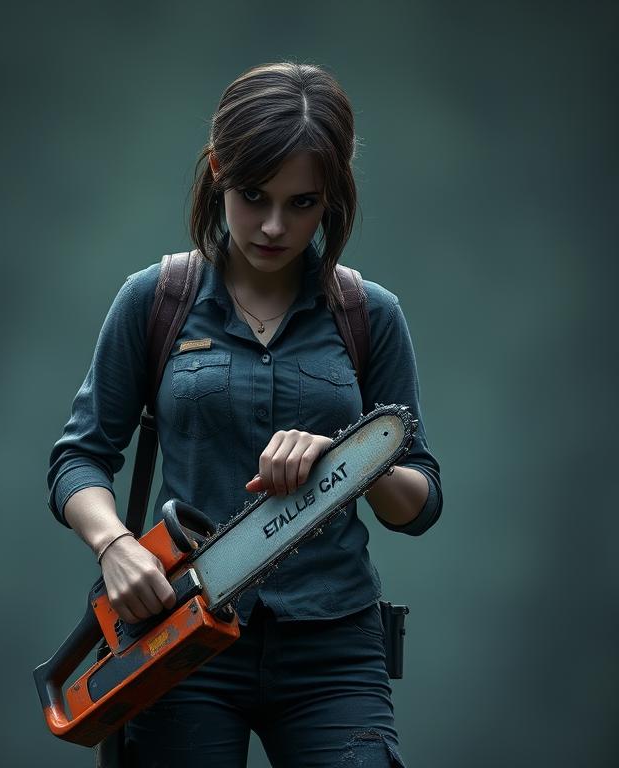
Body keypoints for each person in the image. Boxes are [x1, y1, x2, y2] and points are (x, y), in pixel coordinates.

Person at [46, 61, 443, 767]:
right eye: (254, 195)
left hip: (334, 643)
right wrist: (115, 546)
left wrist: (349, 460)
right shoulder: (156, 299)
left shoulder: (367, 315)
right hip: (179, 633)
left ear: (332, 199)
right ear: (219, 172)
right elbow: (79, 457)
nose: (272, 225)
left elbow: (418, 502)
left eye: (301, 203)